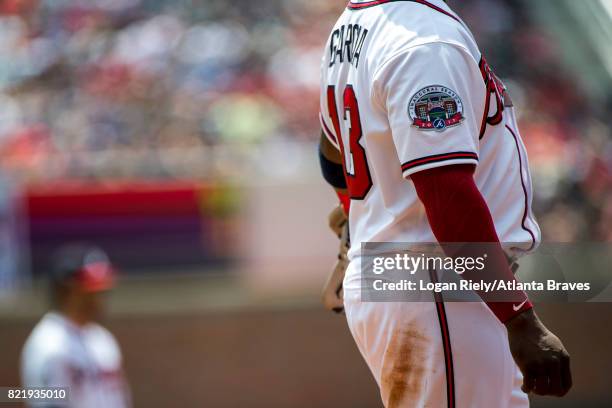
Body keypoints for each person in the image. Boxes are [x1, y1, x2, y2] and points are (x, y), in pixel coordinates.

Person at [318, 1, 572, 407]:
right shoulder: (424, 41)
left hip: (417, 280)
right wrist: (519, 317)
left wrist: (353, 228)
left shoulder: (351, 23)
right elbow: (446, 194)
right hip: (439, 285)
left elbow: (331, 155)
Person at [21, 244, 131, 408]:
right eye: (91, 290)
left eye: (102, 291)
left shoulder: (103, 339)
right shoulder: (48, 344)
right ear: (66, 288)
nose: (100, 298)